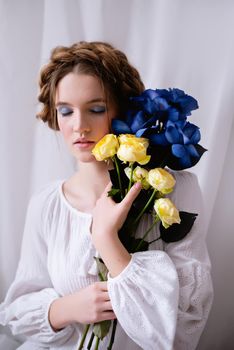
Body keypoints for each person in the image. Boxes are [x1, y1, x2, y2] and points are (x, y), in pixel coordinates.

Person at [0, 41, 213, 350]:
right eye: (65, 111)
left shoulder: (174, 189)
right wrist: (65, 309)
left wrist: (108, 241)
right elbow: (16, 308)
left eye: (95, 109)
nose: (79, 126)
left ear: (122, 110)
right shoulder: (46, 205)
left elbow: (184, 328)